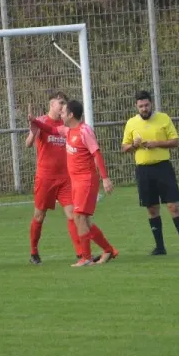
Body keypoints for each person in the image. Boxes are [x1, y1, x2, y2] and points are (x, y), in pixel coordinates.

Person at [30, 100, 117, 267]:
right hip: (75, 182)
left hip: (86, 180)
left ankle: (86, 257)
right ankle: (108, 250)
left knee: (79, 217)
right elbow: (51, 130)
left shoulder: (85, 131)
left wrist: (105, 178)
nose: (60, 115)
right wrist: (34, 121)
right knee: (82, 220)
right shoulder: (67, 130)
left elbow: (97, 154)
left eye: (63, 112)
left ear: (71, 115)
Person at [121, 90, 179, 256]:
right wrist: (135, 145)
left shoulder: (164, 118)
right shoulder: (131, 123)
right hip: (143, 170)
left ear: (151, 103)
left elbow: (175, 141)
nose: (144, 108)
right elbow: (124, 147)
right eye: (141, 106)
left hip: (163, 168)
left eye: (146, 105)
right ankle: (160, 247)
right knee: (152, 209)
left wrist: (156, 143)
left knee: (173, 206)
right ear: (136, 106)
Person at [25, 92, 82, 264]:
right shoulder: (42, 122)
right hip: (45, 178)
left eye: (65, 103)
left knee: (73, 215)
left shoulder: (67, 124)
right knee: (39, 215)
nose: (63, 106)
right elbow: (27, 144)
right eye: (61, 103)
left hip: (65, 178)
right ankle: (34, 252)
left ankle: (81, 253)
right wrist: (33, 132)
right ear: (51, 104)